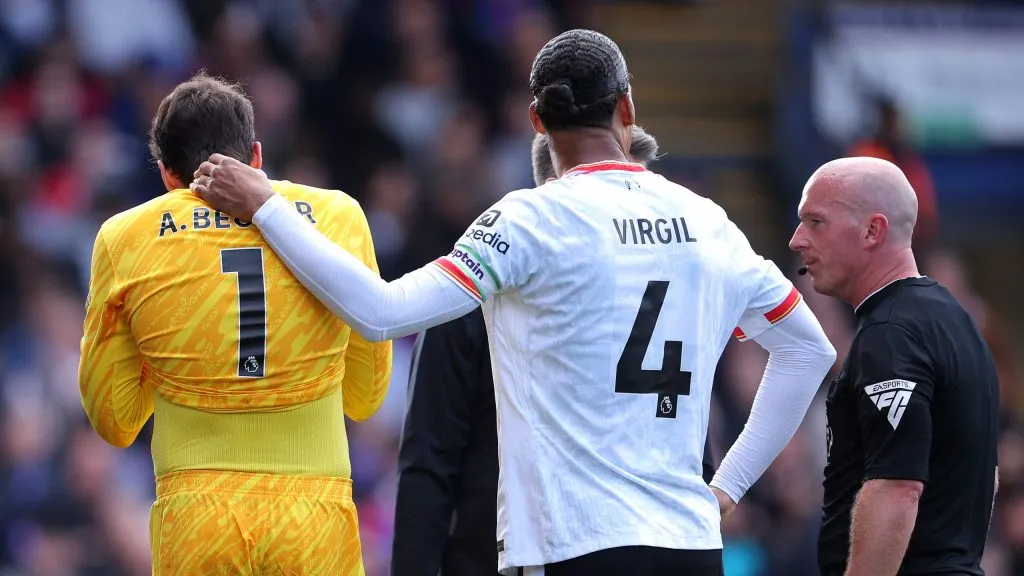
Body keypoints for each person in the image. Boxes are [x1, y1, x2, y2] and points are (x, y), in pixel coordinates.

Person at [192, 29, 837, 576]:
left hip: (573, 542)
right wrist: (725, 489)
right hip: (690, 546)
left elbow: (381, 311)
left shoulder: (532, 220)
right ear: (628, 109)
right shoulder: (708, 222)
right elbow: (809, 351)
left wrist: (267, 205)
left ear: (536, 121)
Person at [77, 73, 391, 575]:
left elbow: (114, 420)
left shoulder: (124, 237)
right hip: (313, 515)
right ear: (257, 156)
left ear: (166, 175)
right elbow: (365, 395)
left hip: (196, 515)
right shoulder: (340, 217)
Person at [390, 126, 720, 576]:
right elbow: (429, 461)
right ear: (555, 191)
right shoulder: (472, 293)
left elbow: (690, 445)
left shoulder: (656, 296)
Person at [789, 156, 999, 576]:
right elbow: (983, 477)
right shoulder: (953, 319)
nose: (797, 240)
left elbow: (897, 486)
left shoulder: (890, 334)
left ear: (873, 230)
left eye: (816, 222)